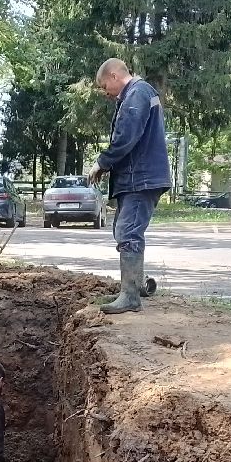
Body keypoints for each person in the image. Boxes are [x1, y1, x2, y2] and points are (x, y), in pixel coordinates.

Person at [90, 58, 172, 314]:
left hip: (141, 178)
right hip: (136, 177)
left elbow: (126, 137)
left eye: (105, 86)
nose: (105, 93)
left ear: (114, 76)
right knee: (123, 230)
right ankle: (136, 286)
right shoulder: (138, 94)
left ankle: (130, 296)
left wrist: (102, 162)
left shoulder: (137, 93)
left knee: (128, 232)